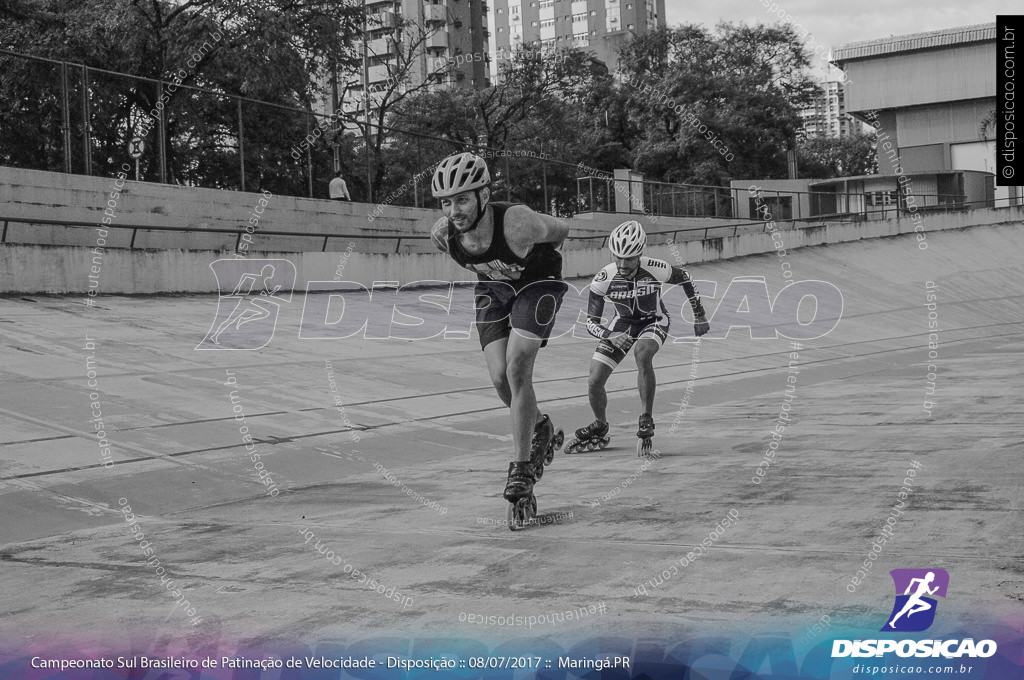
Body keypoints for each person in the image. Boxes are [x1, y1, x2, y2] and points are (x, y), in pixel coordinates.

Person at [429, 152, 569, 503]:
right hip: (493, 289)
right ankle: (539, 425)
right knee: (499, 377)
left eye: (462, 200)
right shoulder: (443, 236)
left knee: (517, 366)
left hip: (538, 284)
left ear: (484, 196)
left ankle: (520, 468)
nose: (454, 211)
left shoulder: (518, 222)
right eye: (446, 203)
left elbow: (561, 230)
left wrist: (534, 258)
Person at [566, 220, 710, 456]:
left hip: (654, 320)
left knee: (642, 354)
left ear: (640, 254)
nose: (623, 264)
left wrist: (699, 315)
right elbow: (590, 322)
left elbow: (686, 278)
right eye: (618, 257)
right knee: (594, 380)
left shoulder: (655, 268)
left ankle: (646, 417)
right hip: (621, 325)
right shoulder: (603, 278)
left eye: (630, 258)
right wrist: (609, 335)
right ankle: (600, 423)